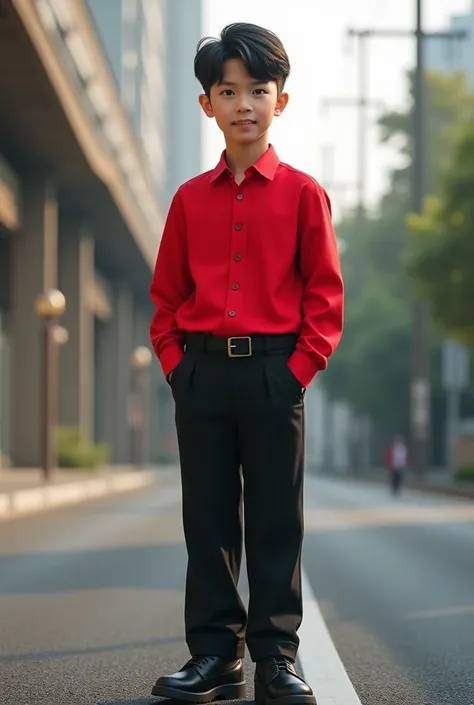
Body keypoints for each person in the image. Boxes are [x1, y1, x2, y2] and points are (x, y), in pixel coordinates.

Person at [149, 22, 344, 705]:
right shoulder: (187, 201)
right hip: (200, 375)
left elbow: (324, 297)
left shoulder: (304, 195)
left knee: (272, 521)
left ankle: (277, 658)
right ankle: (212, 655)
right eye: (227, 91)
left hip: (272, 373)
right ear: (207, 105)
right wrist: (178, 367)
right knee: (206, 521)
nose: (243, 105)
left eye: (257, 90)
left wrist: (296, 370)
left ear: (280, 101)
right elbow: (166, 298)